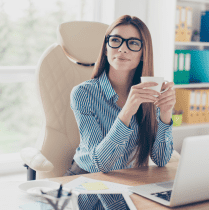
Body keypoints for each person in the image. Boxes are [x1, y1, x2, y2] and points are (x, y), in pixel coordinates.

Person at [64, 15, 176, 177]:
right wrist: (127, 111)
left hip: (126, 179)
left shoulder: (150, 92)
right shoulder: (83, 94)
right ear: (105, 48)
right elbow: (101, 163)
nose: (122, 49)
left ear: (143, 53)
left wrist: (166, 113)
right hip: (86, 178)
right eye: (115, 40)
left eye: (133, 43)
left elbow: (161, 159)